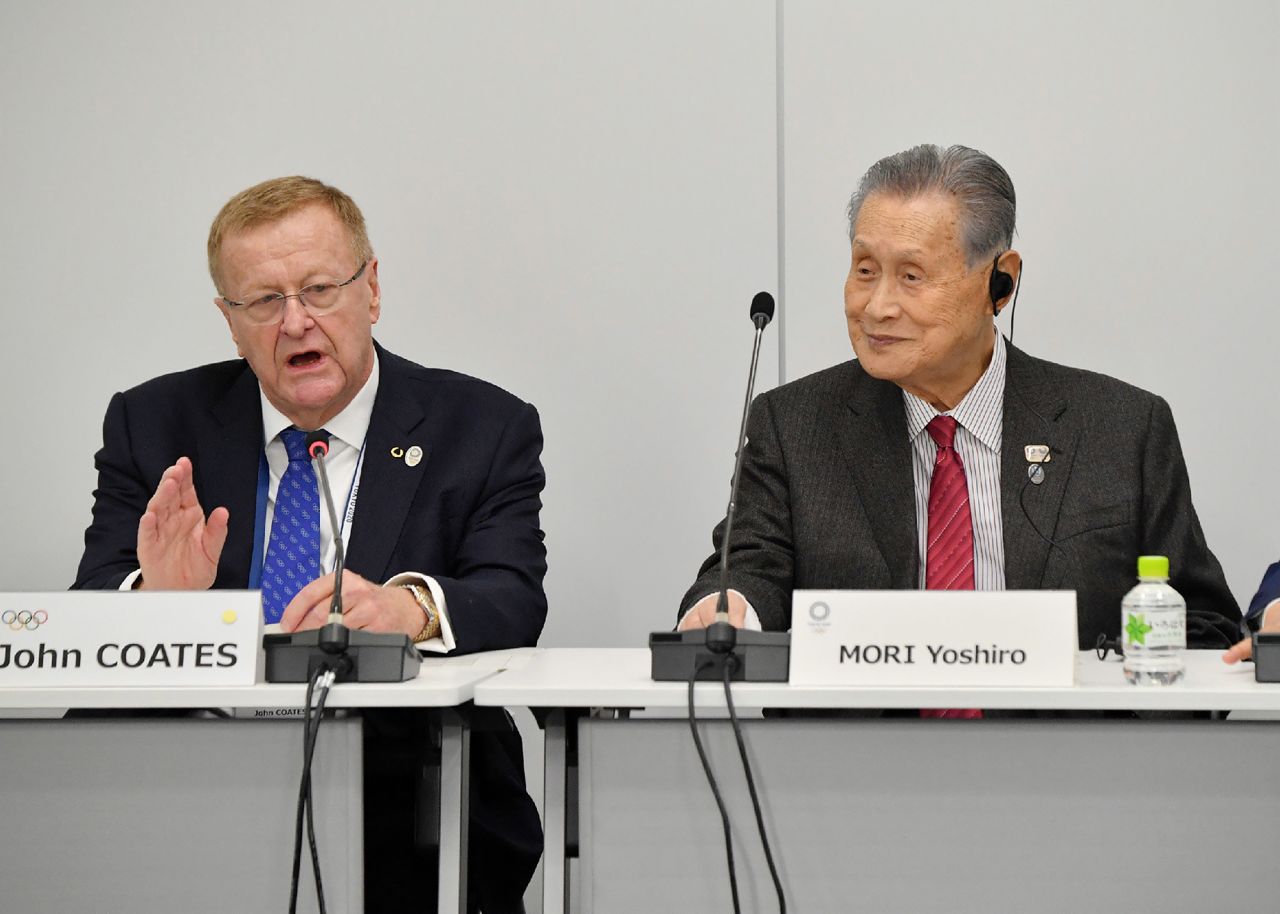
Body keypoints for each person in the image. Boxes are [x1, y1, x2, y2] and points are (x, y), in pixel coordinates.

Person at [73, 176, 546, 913]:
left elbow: (513, 596)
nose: (296, 323)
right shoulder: (155, 423)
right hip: (188, 800)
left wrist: (409, 610)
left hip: (408, 808)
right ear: (230, 322)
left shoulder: (480, 427)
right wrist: (158, 603)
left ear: (372, 290)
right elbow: (88, 612)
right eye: (264, 301)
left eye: (320, 289)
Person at [677, 144, 1242, 652]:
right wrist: (731, 606)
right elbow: (748, 568)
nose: (876, 307)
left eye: (912, 277)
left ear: (1001, 282)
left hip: (1068, 757)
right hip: (856, 758)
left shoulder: (1122, 428)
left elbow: (1204, 625)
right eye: (865, 270)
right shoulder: (794, 425)